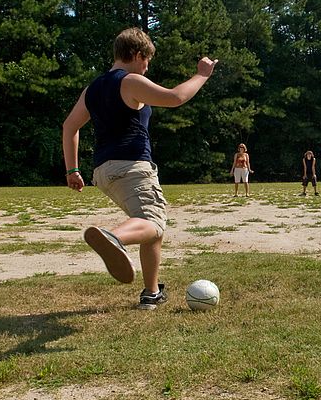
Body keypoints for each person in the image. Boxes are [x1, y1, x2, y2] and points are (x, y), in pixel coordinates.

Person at [62, 27, 217, 310]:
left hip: (103, 172)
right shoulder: (129, 81)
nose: (147, 68)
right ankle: (114, 237)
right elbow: (175, 98)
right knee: (154, 222)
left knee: (149, 225)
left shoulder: (92, 89)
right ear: (136, 55)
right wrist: (202, 75)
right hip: (132, 166)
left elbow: (70, 126)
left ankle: (151, 293)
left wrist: (72, 169)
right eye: (147, 61)